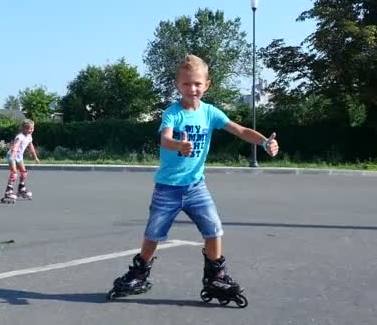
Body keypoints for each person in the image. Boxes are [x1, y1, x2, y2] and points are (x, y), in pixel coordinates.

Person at [106, 54, 279, 304]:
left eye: (197, 83)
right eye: (186, 84)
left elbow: (240, 130)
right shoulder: (173, 113)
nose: (192, 88)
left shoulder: (210, 113)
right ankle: (139, 273)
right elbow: (164, 138)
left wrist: (264, 142)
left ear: (207, 84)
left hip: (196, 187)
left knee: (214, 229)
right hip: (168, 187)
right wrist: (178, 144)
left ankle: (216, 276)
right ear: (178, 85)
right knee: (153, 233)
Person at [1, 119, 40, 203]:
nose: (31, 130)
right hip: (12, 156)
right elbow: (15, 147)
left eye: (32, 128)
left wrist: (35, 157)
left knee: (24, 172)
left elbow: (31, 147)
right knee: (14, 173)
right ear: (23, 129)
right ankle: (8, 191)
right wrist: (12, 157)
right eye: (29, 128)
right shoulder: (20, 137)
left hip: (19, 157)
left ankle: (21, 188)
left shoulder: (29, 137)